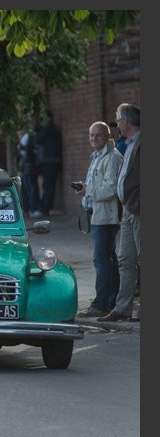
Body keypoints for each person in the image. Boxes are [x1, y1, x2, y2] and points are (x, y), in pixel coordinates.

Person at [75, 122, 123, 318]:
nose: (93, 139)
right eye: (91, 135)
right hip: (97, 214)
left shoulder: (111, 158)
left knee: (102, 260)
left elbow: (110, 190)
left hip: (106, 217)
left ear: (107, 136)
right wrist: (84, 188)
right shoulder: (98, 156)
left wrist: (88, 190)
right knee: (108, 260)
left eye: (98, 136)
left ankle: (101, 304)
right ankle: (110, 301)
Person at [99, 103, 140, 323]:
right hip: (127, 209)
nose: (117, 124)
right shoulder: (128, 143)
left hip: (139, 208)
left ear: (127, 121)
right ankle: (123, 307)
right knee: (125, 259)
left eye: (118, 119)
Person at [32, 110, 63, 218]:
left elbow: (37, 139)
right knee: (47, 185)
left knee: (48, 186)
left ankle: (44, 208)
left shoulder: (49, 128)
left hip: (50, 162)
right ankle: (45, 207)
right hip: (50, 161)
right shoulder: (49, 129)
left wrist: (37, 128)